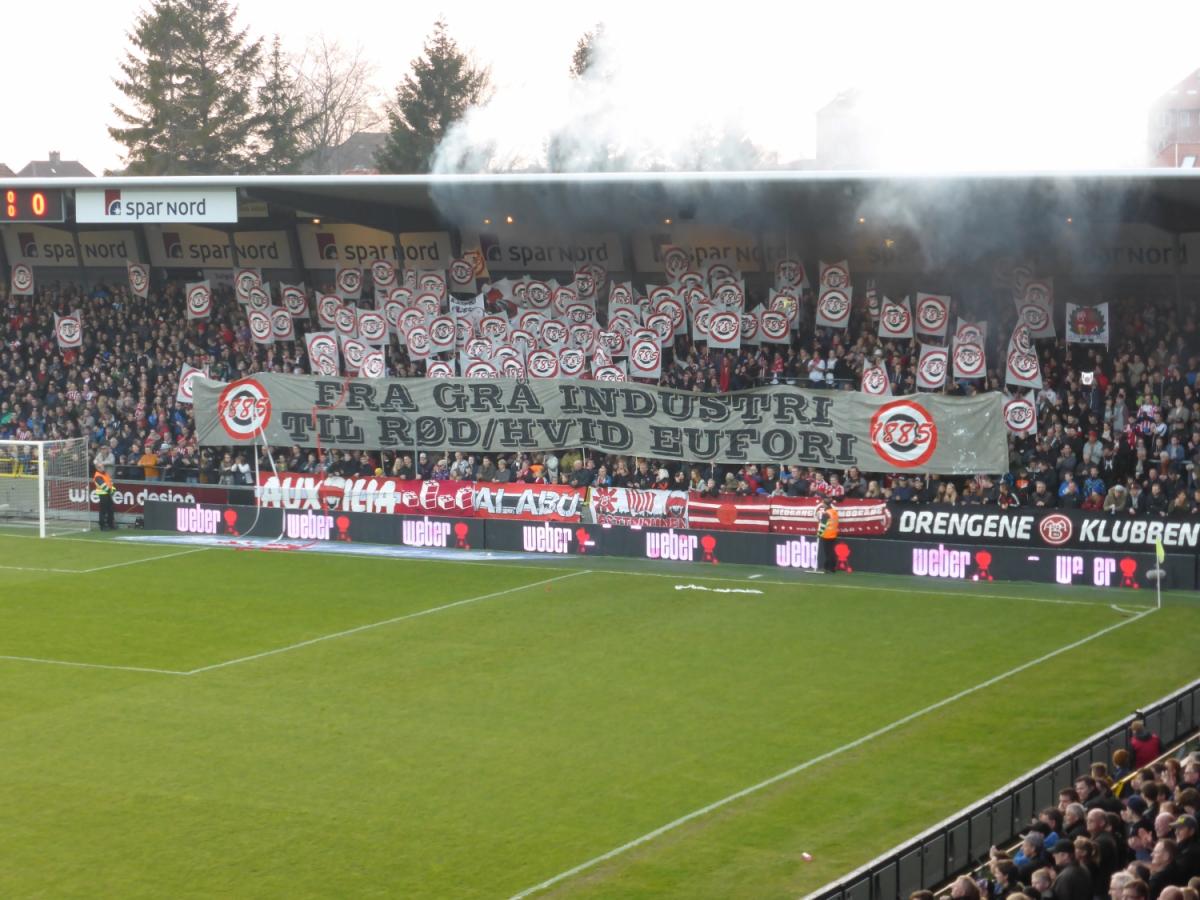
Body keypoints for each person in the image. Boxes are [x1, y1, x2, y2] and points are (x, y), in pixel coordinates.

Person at [816, 497, 840, 574]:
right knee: (831, 551)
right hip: (833, 534)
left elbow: (823, 525)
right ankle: (832, 568)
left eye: (823, 503)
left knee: (828, 552)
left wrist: (819, 534)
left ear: (825, 504)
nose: (822, 504)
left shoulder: (826, 513)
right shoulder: (834, 512)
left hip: (827, 535)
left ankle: (827, 567)